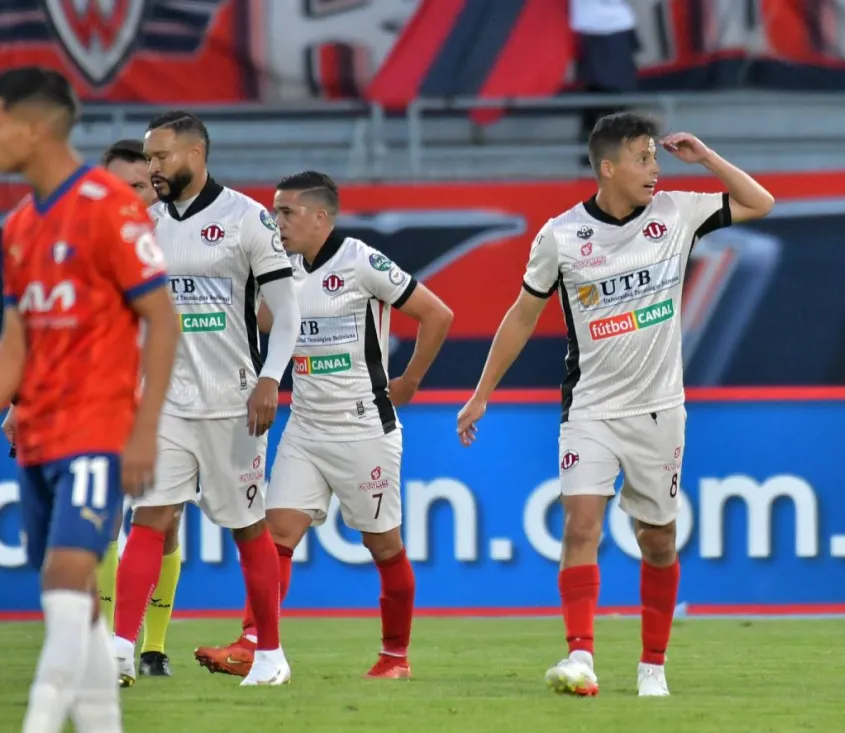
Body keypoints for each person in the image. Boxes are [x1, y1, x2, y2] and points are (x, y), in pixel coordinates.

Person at [456, 112, 774, 697]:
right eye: (643, 157)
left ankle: (652, 666)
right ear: (609, 167)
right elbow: (522, 314)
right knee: (581, 526)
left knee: (657, 540)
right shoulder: (561, 235)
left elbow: (760, 202)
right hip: (591, 410)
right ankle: (581, 658)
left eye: (656, 156)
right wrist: (481, 395)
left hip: (659, 410)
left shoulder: (677, 213)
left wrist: (705, 158)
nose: (655, 168)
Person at [193, 171, 453, 679]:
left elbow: (437, 314)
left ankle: (395, 657)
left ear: (321, 216)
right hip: (305, 428)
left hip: (362, 427)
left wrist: (410, 381)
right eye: (273, 211)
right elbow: (264, 321)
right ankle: (253, 642)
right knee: (277, 536)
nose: (276, 222)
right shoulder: (282, 271)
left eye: (286, 212)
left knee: (384, 546)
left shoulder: (362, 261)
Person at [0, 67, 177, 732]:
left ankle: (40, 721)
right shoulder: (18, 228)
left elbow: (162, 318)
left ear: (34, 126)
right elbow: (16, 337)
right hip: (39, 433)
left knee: (67, 577)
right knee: (75, 603)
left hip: (98, 428)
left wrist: (143, 429)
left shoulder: (109, 206)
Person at [111, 111, 301, 688]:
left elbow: (288, 312)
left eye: (161, 157)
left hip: (232, 402)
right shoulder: (145, 225)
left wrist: (271, 378)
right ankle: (120, 649)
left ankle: (270, 654)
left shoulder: (248, 219)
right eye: (149, 159)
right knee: (149, 518)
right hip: (165, 401)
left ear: (195, 154)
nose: (153, 168)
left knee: (247, 528)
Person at [96, 139, 182, 678]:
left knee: (162, 525)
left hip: (171, 400)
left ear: (154, 189)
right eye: (114, 185)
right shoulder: (89, 241)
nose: (123, 195)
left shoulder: (180, 242)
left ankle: (152, 647)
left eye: (135, 185)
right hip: (104, 396)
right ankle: (111, 643)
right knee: (103, 518)